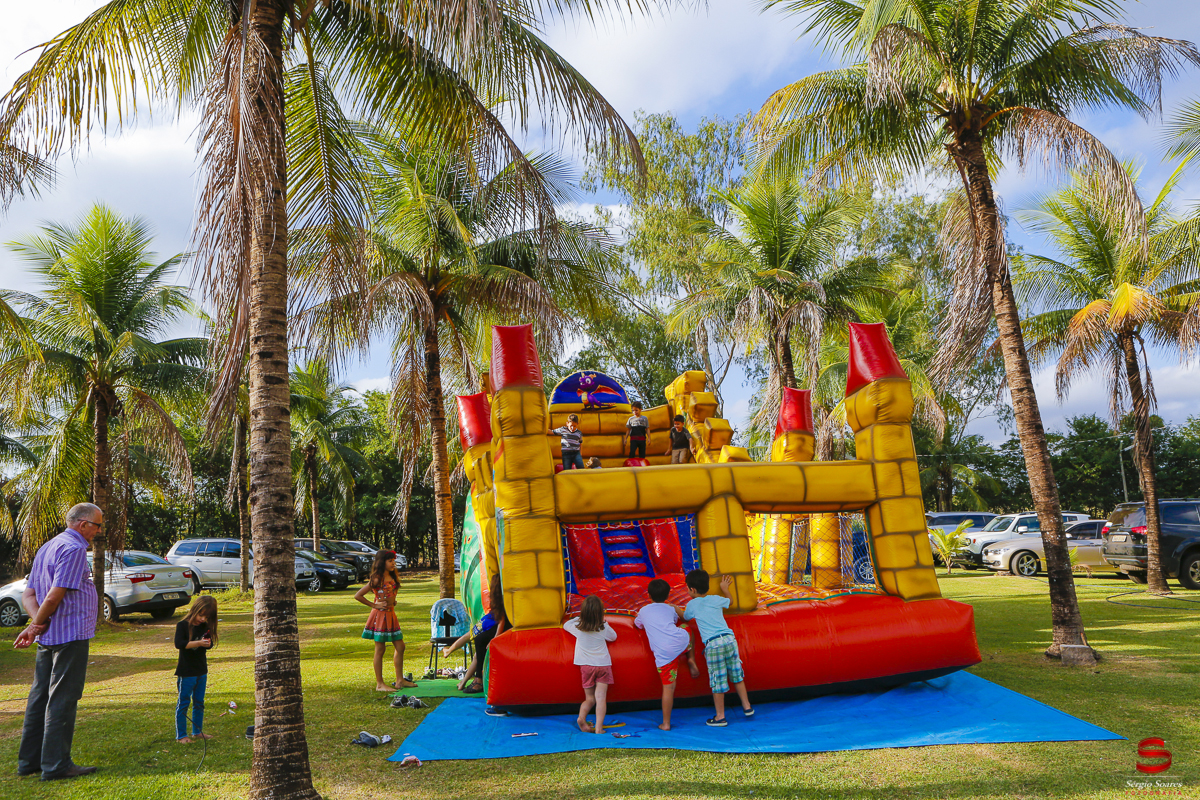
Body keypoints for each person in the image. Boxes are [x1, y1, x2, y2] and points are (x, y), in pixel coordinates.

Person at [15, 502, 102, 781]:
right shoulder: (74, 548)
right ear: (83, 524)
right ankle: (56, 765)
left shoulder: (48, 546)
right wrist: (36, 624)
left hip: (50, 636)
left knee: (39, 696)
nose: (98, 532)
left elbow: (29, 595)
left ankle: (30, 762)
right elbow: (54, 595)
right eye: (97, 525)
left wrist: (36, 626)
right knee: (63, 698)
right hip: (70, 635)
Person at [682, 569, 753, 727]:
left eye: (687, 588)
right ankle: (747, 707)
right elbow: (730, 601)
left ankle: (720, 716)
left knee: (718, 681)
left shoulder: (692, 604)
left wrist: (675, 609)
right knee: (737, 674)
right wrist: (725, 589)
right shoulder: (715, 599)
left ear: (692, 590)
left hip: (713, 645)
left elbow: (685, 617)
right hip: (729, 639)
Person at [634, 578, 700, 731]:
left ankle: (666, 723)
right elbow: (680, 619)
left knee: (668, 688)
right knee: (686, 628)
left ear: (648, 595)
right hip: (680, 642)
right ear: (668, 595)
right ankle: (691, 658)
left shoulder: (644, 610)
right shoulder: (670, 609)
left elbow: (638, 624)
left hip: (664, 655)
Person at [355, 550, 417, 692]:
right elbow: (358, 595)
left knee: (400, 646)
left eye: (393, 561)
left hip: (391, 614)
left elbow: (390, 593)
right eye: (390, 561)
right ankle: (380, 684)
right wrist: (374, 605)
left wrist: (392, 601)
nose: (393, 563)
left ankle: (400, 680)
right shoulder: (377, 578)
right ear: (382, 562)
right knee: (380, 649)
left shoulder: (392, 576)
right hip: (380, 616)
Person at [440, 574, 507, 693]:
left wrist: (495, 638)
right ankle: (449, 652)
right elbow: (501, 619)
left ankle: (462, 680)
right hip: (490, 621)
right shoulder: (503, 595)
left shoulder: (497, 596)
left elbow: (500, 618)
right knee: (470, 637)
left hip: (489, 620)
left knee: (473, 647)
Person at [563, 595, 617, 733]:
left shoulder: (578, 627)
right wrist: (605, 623)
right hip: (603, 665)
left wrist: (577, 618)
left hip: (586, 666)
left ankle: (582, 717)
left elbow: (565, 625)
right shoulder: (603, 627)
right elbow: (613, 636)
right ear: (600, 613)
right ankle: (599, 728)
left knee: (590, 698)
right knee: (601, 698)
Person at [174, 595, 218, 744]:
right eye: (201, 615)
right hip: (186, 672)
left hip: (201, 670)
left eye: (206, 617)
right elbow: (180, 644)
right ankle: (181, 735)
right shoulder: (182, 625)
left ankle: (197, 731)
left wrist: (207, 643)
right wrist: (198, 643)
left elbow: (209, 644)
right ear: (195, 610)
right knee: (184, 702)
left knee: (199, 702)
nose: (203, 619)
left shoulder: (205, 626)